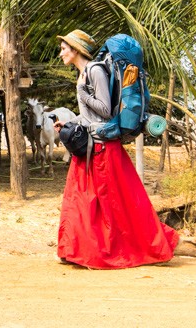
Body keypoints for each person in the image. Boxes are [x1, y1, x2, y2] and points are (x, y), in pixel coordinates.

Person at [53, 29, 178, 269]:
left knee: (115, 205)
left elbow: (105, 110)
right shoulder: (83, 75)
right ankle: (76, 251)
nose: (61, 54)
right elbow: (89, 115)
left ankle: (144, 247)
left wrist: (82, 94)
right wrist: (69, 123)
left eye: (64, 48)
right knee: (80, 201)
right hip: (89, 147)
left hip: (102, 149)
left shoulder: (95, 71)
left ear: (76, 49)